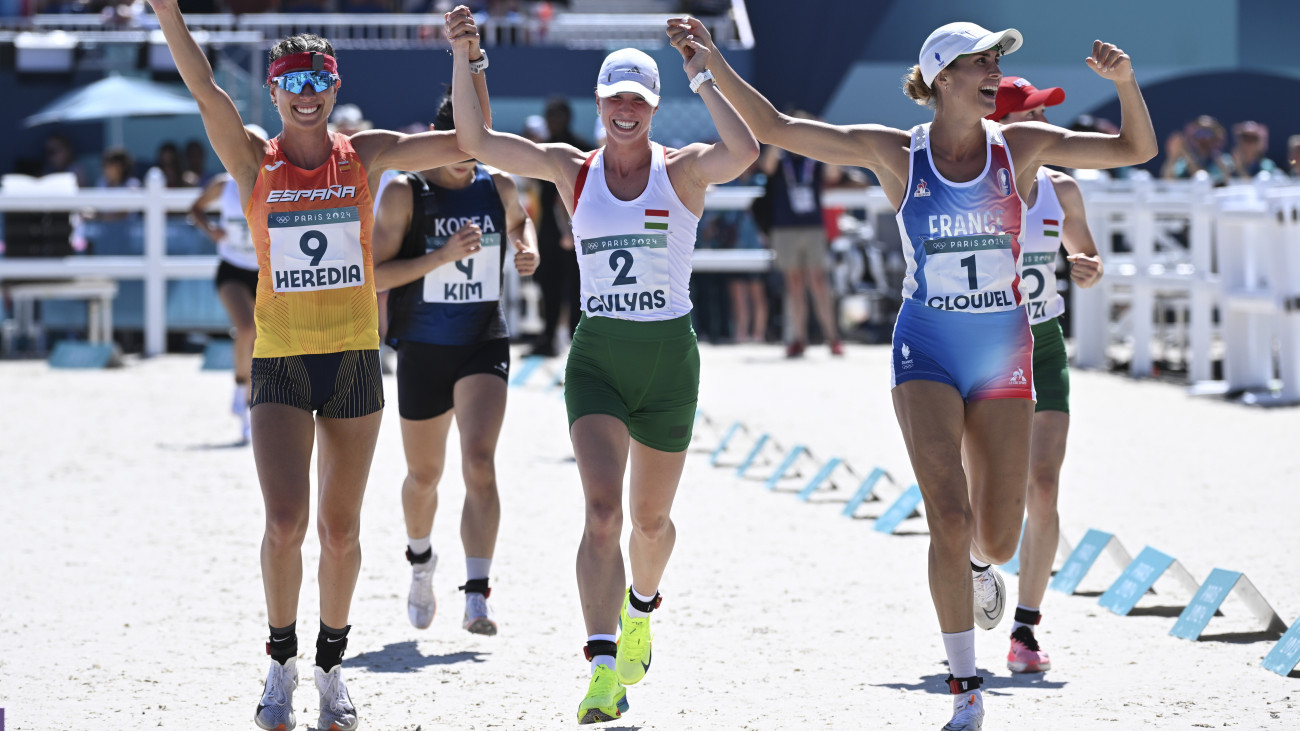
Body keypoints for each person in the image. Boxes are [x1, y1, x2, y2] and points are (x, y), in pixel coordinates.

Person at [673, 17, 1155, 730]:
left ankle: (981, 569)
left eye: (998, 60)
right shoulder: (894, 152)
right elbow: (773, 126)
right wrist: (708, 62)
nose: (994, 71)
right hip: (926, 345)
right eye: (980, 61)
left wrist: (1125, 85)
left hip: (1003, 347)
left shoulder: (1020, 146)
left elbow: (1135, 148)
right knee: (947, 515)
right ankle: (965, 685)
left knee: (994, 537)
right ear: (940, 78)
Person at [148, 2, 493, 729]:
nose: (306, 90)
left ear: (333, 87)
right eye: (292, 80)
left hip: (353, 361)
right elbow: (204, 84)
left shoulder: (362, 154)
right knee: (284, 521)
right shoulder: (252, 157)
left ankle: (333, 669)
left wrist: (467, 55)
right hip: (280, 359)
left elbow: (467, 138)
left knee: (340, 530)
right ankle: (281, 662)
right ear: (274, 92)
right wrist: (166, 11)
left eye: (319, 78)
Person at [448, 9, 759, 723]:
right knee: (600, 512)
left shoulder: (680, 171)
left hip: (669, 361)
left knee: (651, 524)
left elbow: (744, 150)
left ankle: (642, 609)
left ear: (652, 107)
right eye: (614, 97)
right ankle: (600, 665)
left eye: (637, 100)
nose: (624, 111)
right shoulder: (570, 167)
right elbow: (476, 141)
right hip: (598, 359)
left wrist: (703, 71)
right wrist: (468, 56)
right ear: (598, 103)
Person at [371, 92, 538, 638]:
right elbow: (374, 276)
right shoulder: (404, 191)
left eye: (479, 150)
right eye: (461, 150)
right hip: (421, 345)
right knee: (425, 476)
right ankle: (420, 562)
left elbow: (520, 221)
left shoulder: (498, 184)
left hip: (481, 340)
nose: (471, 162)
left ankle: (477, 594)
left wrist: (525, 246)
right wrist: (441, 257)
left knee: (480, 462)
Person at [988, 75, 1104, 675]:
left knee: (1043, 486)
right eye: (1031, 116)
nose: (1044, 127)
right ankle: (982, 564)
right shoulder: (972, 190)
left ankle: (1026, 629)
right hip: (983, 347)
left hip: (1045, 344)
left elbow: (1086, 255)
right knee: (982, 501)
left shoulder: (1064, 189)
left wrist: (1087, 268)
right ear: (1001, 128)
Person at [188, 124, 269, 444]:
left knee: (268, 340)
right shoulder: (223, 186)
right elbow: (195, 208)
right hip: (232, 268)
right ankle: (240, 388)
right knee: (247, 329)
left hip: (264, 271)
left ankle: (256, 405)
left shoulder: (273, 183)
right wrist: (211, 230)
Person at [759, 123, 844, 357]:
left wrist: (824, 141)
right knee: (794, 284)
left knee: (818, 281)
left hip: (812, 227)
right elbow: (766, 167)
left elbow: (833, 175)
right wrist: (777, 135)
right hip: (784, 228)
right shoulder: (780, 159)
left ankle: (833, 337)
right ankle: (798, 337)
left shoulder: (814, 159)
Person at [528, 96, 591, 357]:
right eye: (550, 116)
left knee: (578, 287)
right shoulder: (541, 151)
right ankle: (548, 337)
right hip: (548, 233)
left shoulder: (581, 150)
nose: (554, 121)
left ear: (568, 118)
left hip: (577, 230)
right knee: (548, 285)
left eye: (558, 116)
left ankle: (578, 340)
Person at [1161, 115, 1234, 185]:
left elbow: (1203, 180)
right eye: (1199, 133)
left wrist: (1186, 153)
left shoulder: (1224, 160)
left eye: (1208, 132)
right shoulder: (1182, 162)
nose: (1203, 138)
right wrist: (1173, 156)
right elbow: (1168, 180)